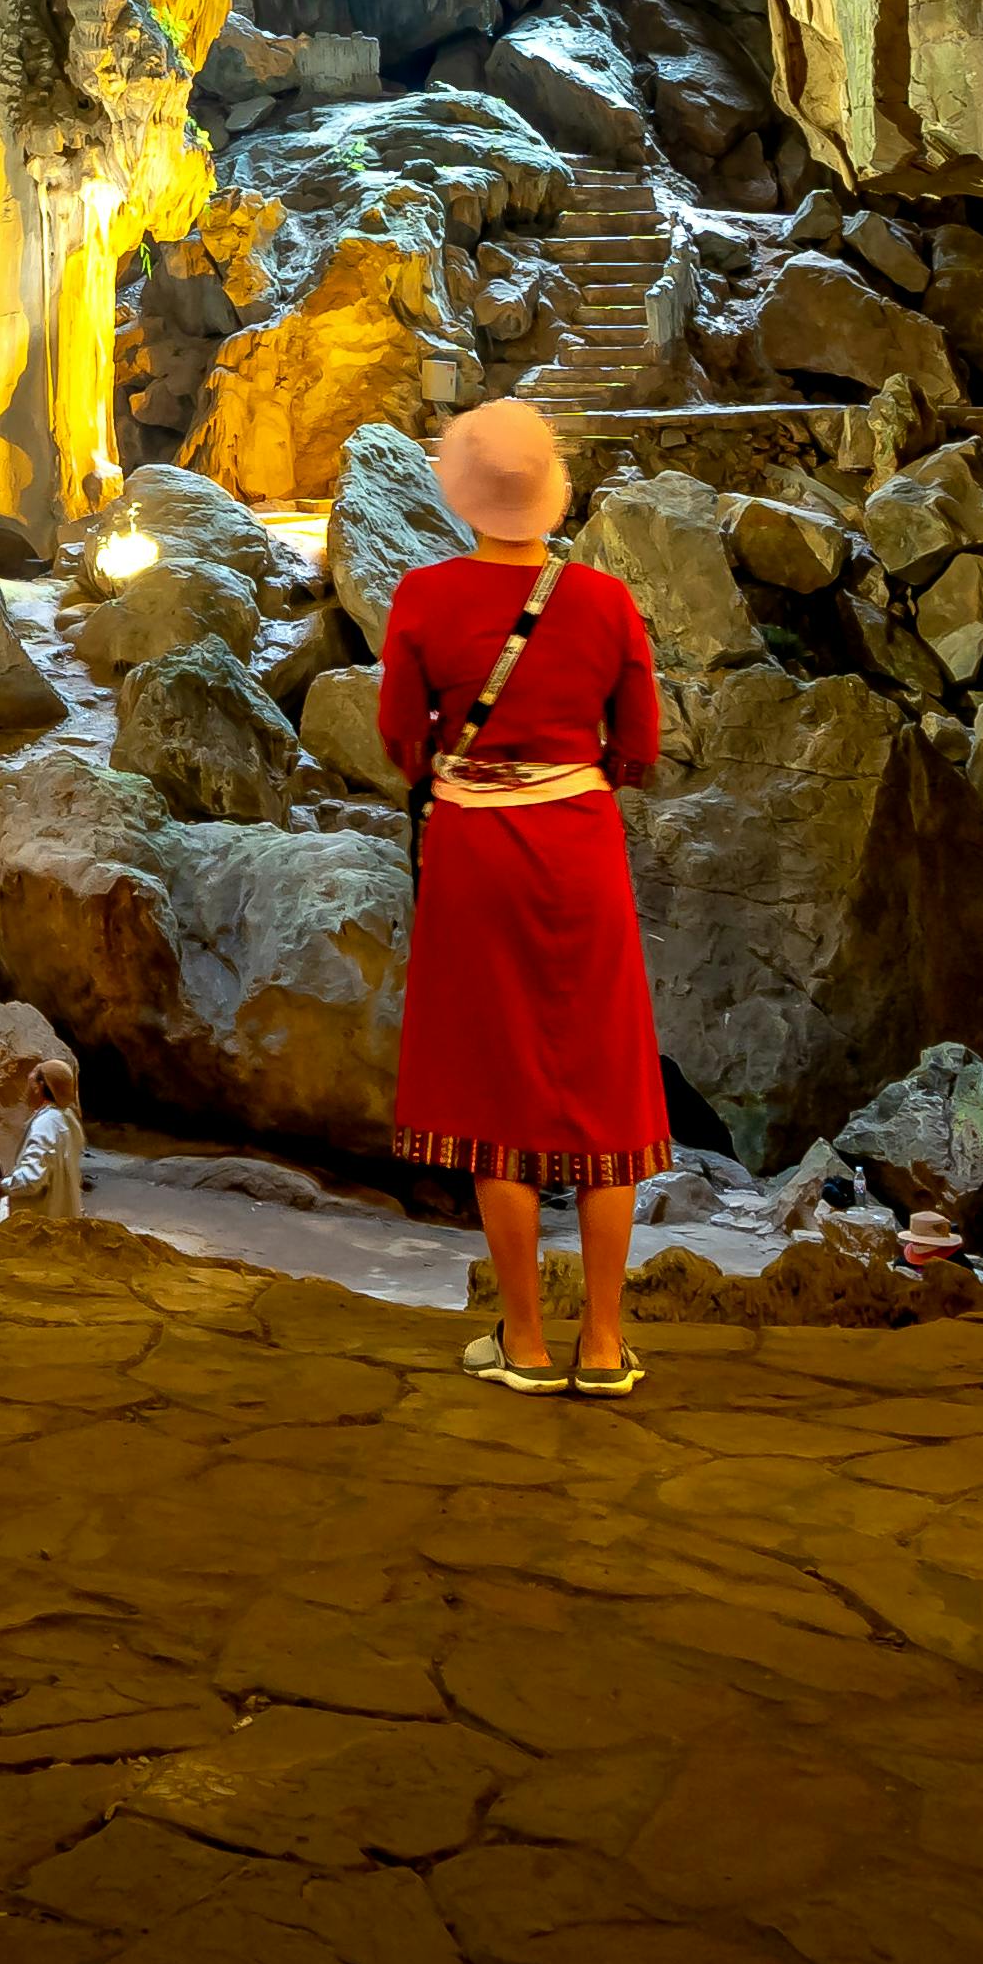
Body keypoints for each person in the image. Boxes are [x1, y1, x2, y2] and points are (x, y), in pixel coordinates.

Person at [375, 397, 669, 1394]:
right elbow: (638, 748)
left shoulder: (421, 596)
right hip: (578, 845)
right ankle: (604, 1342)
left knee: (491, 1085)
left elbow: (402, 742)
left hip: (474, 850)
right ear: (547, 493)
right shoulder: (605, 601)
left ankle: (526, 1341)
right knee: (602, 1083)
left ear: (465, 497)